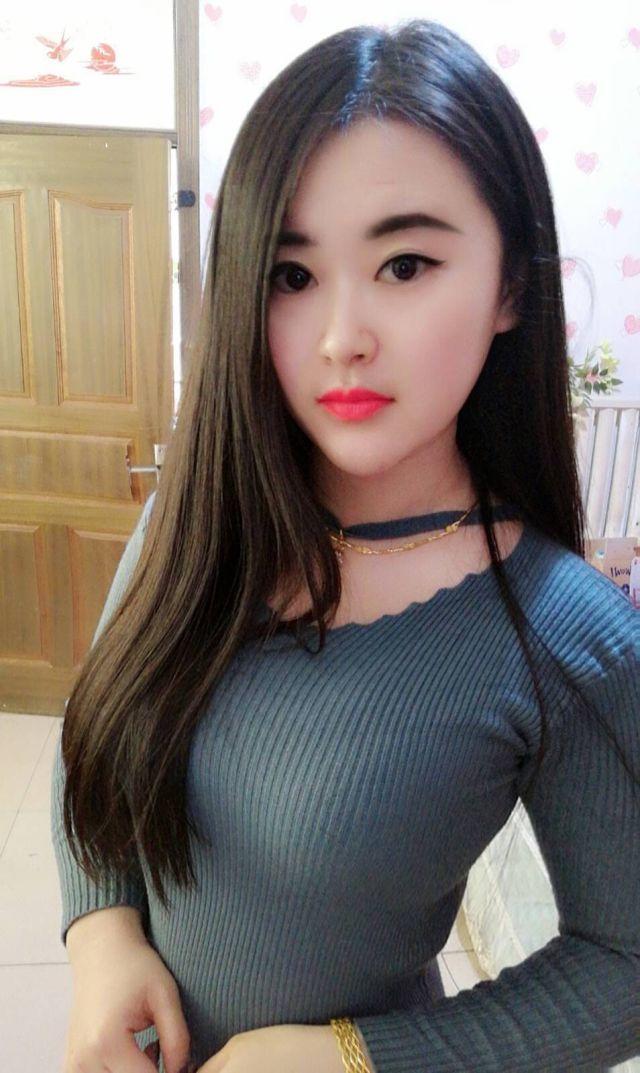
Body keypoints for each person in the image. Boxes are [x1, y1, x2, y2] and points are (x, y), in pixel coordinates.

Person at [51, 17, 640, 1073]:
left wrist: (350, 1058)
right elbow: (96, 739)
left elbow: (625, 957)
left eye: (405, 263)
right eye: (291, 275)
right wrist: (103, 934)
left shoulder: (565, 634)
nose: (340, 338)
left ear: (512, 283)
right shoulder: (196, 515)